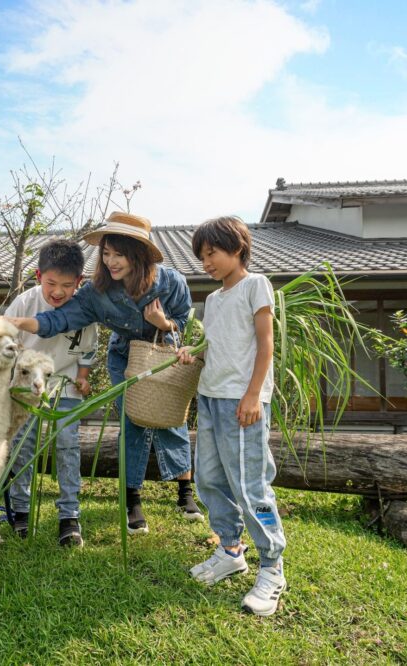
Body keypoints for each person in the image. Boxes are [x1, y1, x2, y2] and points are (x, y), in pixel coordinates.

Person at [8, 211, 203, 534]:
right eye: (107, 253)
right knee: (132, 421)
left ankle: (185, 493)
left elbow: (183, 322)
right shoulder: (96, 292)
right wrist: (17, 323)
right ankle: (132, 501)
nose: (111, 261)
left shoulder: (171, 283)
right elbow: (59, 319)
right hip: (124, 357)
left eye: (119, 254)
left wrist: (163, 323)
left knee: (171, 417)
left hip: (163, 352)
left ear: (138, 255)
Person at [177, 216, 287, 617]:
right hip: (209, 397)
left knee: (250, 485)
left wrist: (254, 395)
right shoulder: (213, 300)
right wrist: (193, 353)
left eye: (212, 253)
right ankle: (230, 550)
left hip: (242, 401)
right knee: (208, 478)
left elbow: (265, 343)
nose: (206, 262)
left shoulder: (256, 285)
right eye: (202, 256)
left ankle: (272, 567)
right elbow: (216, 347)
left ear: (237, 248)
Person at [5, 239, 98, 547]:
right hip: (27, 386)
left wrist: (82, 377)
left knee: (68, 445)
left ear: (79, 282)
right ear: (38, 276)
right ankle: (20, 509)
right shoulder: (25, 302)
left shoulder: (83, 308)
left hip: (65, 384)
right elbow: (6, 342)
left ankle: (69, 516)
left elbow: (88, 348)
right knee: (23, 444)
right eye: (51, 283)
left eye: (67, 286)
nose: (58, 292)